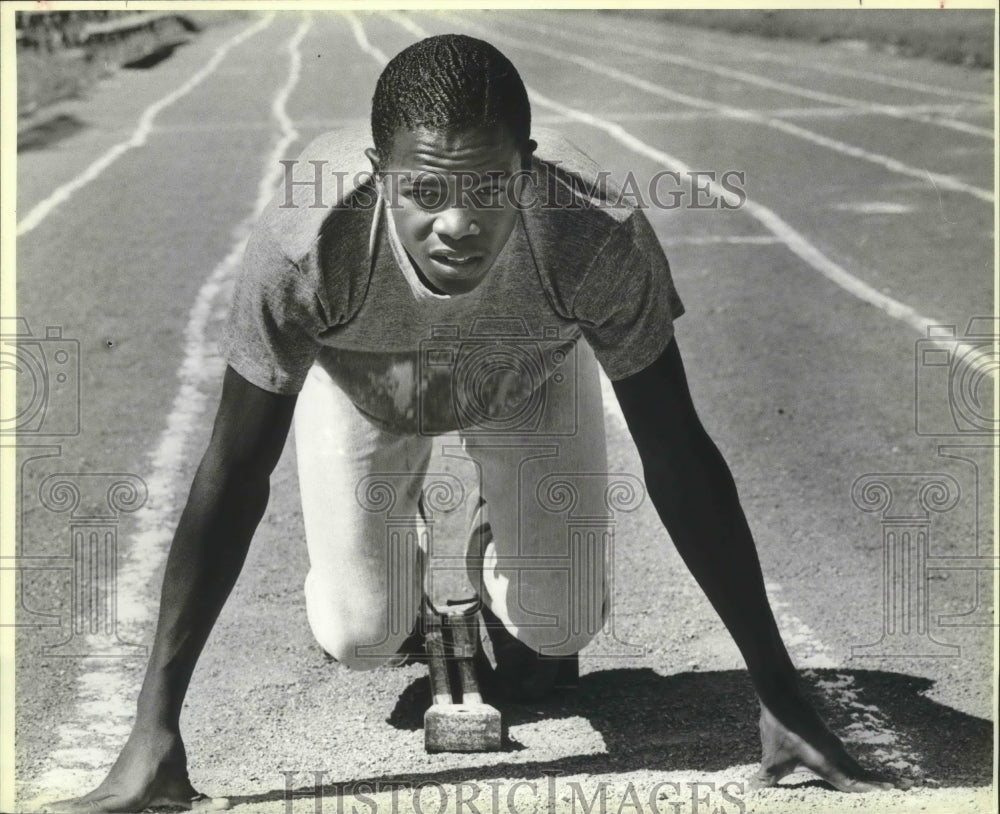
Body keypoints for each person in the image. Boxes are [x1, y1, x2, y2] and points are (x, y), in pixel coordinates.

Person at [60, 33, 899, 813]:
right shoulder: (305, 247)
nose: (458, 225)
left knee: (558, 632)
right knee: (361, 633)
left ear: (527, 170)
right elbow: (231, 477)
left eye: (489, 189)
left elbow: (678, 453)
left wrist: (783, 693)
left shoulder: (593, 233)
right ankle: (399, 546)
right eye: (425, 191)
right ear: (379, 173)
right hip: (367, 387)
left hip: (524, 380)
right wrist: (153, 730)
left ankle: (502, 534)